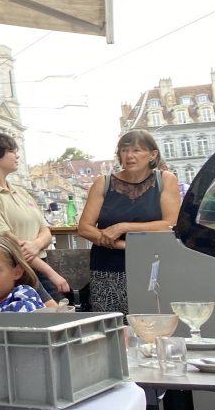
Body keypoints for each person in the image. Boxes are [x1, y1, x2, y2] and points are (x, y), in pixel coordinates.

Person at [77, 130, 179, 313]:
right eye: (124, 150)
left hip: (152, 266)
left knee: (153, 324)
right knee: (113, 327)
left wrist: (123, 227)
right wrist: (122, 245)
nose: (129, 156)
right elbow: (84, 228)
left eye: (137, 150)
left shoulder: (165, 180)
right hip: (108, 267)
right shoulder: (103, 182)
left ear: (152, 154)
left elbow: (170, 224)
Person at [0, 133, 70, 296]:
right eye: (11, 151)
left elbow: (44, 228)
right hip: (19, 272)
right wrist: (52, 273)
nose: (17, 156)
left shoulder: (21, 191)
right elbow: (9, 243)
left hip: (40, 264)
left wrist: (36, 244)